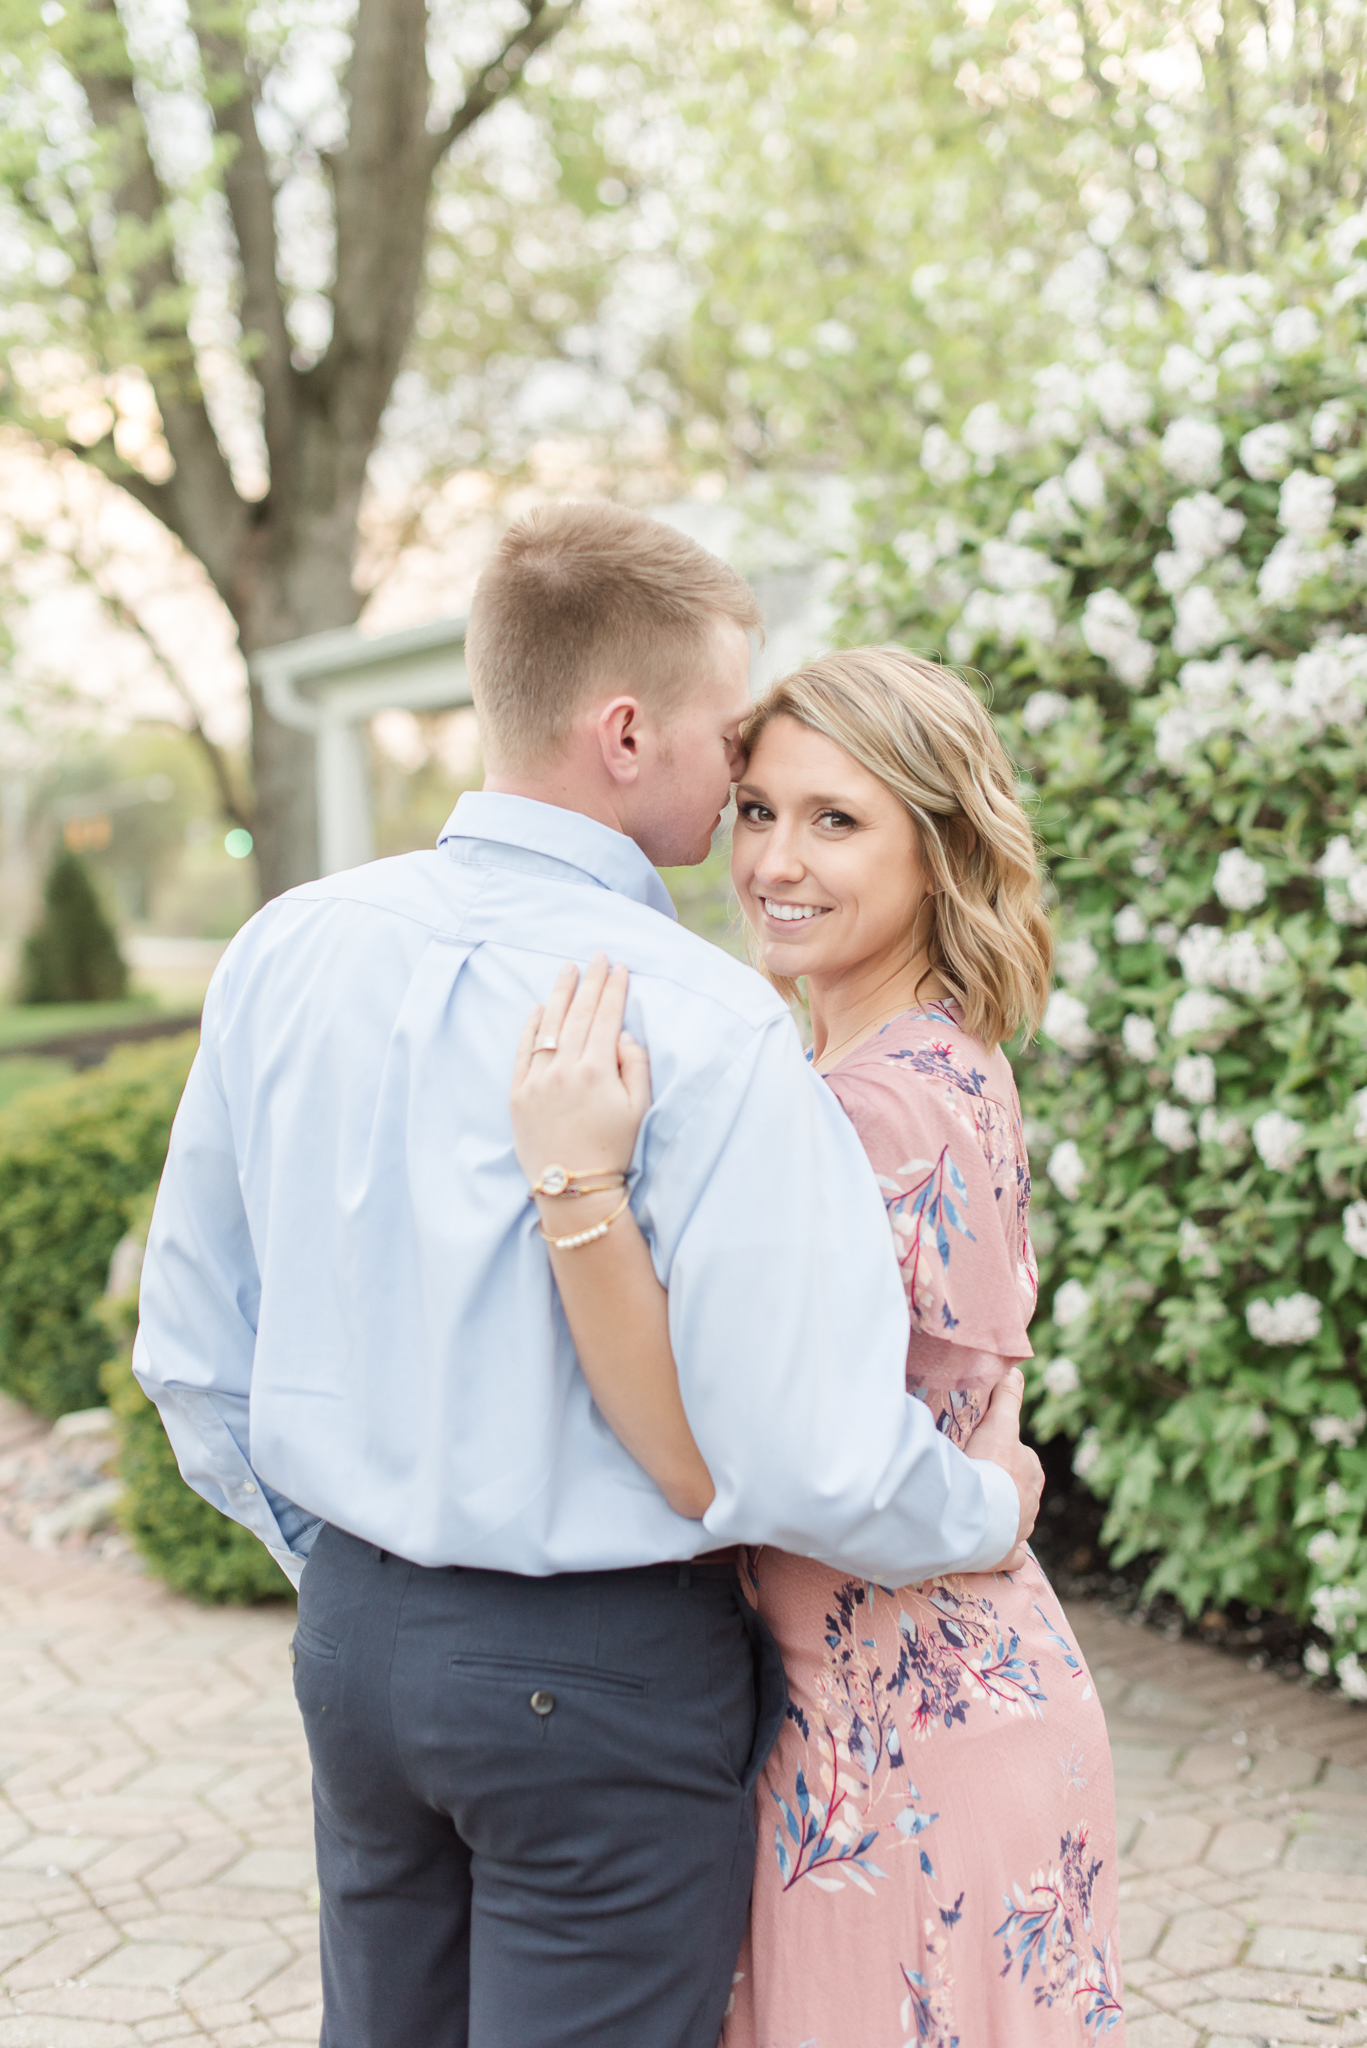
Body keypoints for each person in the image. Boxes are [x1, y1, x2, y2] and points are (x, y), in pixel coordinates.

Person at [132, 504, 1042, 2048]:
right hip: (595, 1673)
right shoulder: (702, 1019)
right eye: (728, 741)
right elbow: (801, 1448)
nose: (741, 786)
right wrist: (982, 1509)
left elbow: (197, 1356)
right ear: (627, 732)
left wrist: (366, 1574)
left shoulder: (285, 950)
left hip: (356, 1649)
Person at [509, 645, 1125, 2046]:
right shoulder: (934, 1054)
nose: (778, 861)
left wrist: (579, 1186)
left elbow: (713, 1453)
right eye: (759, 813)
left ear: (940, 846)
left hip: (891, 1737)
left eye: (837, 821)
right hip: (935, 1692)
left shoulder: (865, 1113)